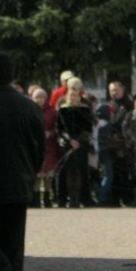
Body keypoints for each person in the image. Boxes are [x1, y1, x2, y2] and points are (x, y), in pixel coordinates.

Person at [0, 52, 44, 271]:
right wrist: (29, 173)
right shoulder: (28, 106)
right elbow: (40, 149)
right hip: (20, 184)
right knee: (13, 245)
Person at [55, 77, 95, 208]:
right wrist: (69, 140)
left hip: (81, 144)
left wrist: (78, 141)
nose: (73, 97)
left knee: (82, 171)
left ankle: (84, 199)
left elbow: (88, 129)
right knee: (64, 172)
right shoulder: (62, 109)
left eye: (76, 95)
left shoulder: (85, 109)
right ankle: (62, 199)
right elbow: (59, 128)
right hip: (66, 144)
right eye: (71, 95)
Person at [30, 88, 58, 208]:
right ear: (32, 98)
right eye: (37, 97)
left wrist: (51, 133)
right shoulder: (28, 110)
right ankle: (35, 199)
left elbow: (58, 127)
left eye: (41, 97)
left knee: (48, 174)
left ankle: (47, 198)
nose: (39, 99)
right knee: (36, 173)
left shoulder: (52, 112)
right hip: (34, 145)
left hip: (49, 146)